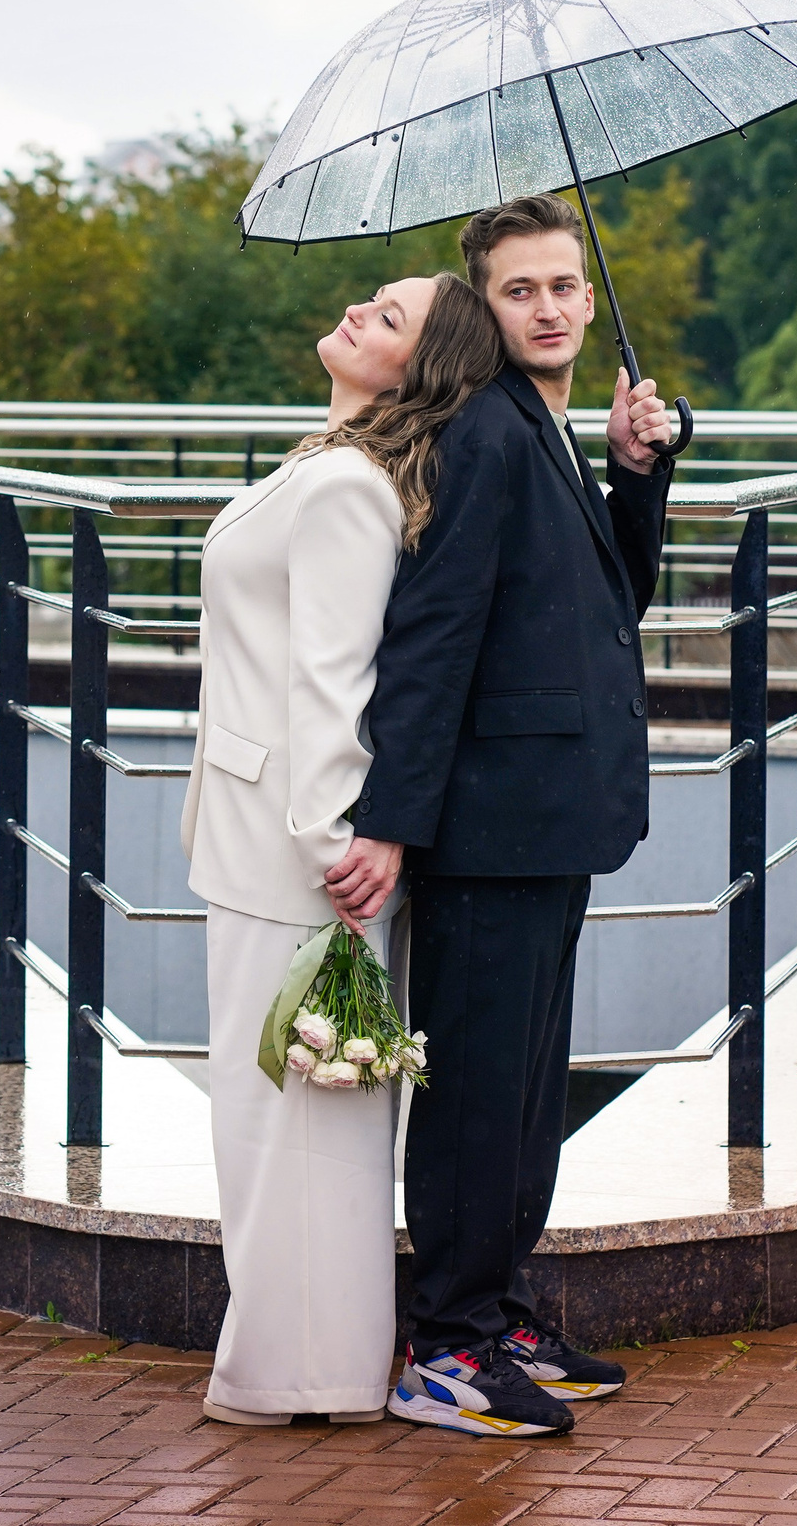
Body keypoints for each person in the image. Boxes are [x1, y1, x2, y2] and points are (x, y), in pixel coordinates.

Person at [325, 193, 679, 1438]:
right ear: (486, 307)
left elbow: (609, 598)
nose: (546, 308)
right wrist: (390, 820)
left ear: (589, 298)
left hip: (552, 818)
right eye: (518, 290)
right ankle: (450, 1348)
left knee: (528, 1091)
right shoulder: (482, 431)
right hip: (485, 822)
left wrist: (639, 475)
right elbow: (434, 634)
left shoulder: (548, 424)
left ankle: (504, 1309)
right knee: (479, 1096)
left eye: (561, 287)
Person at [181, 270, 507, 1426]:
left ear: (418, 370)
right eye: (373, 295)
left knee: (298, 1128)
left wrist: (339, 858)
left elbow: (334, 689)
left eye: (393, 314)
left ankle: (299, 1376)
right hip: (253, 843)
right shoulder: (324, 462)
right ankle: (295, 1361)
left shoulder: (347, 494)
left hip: (296, 863)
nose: (363, 307)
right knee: (271, 1123)